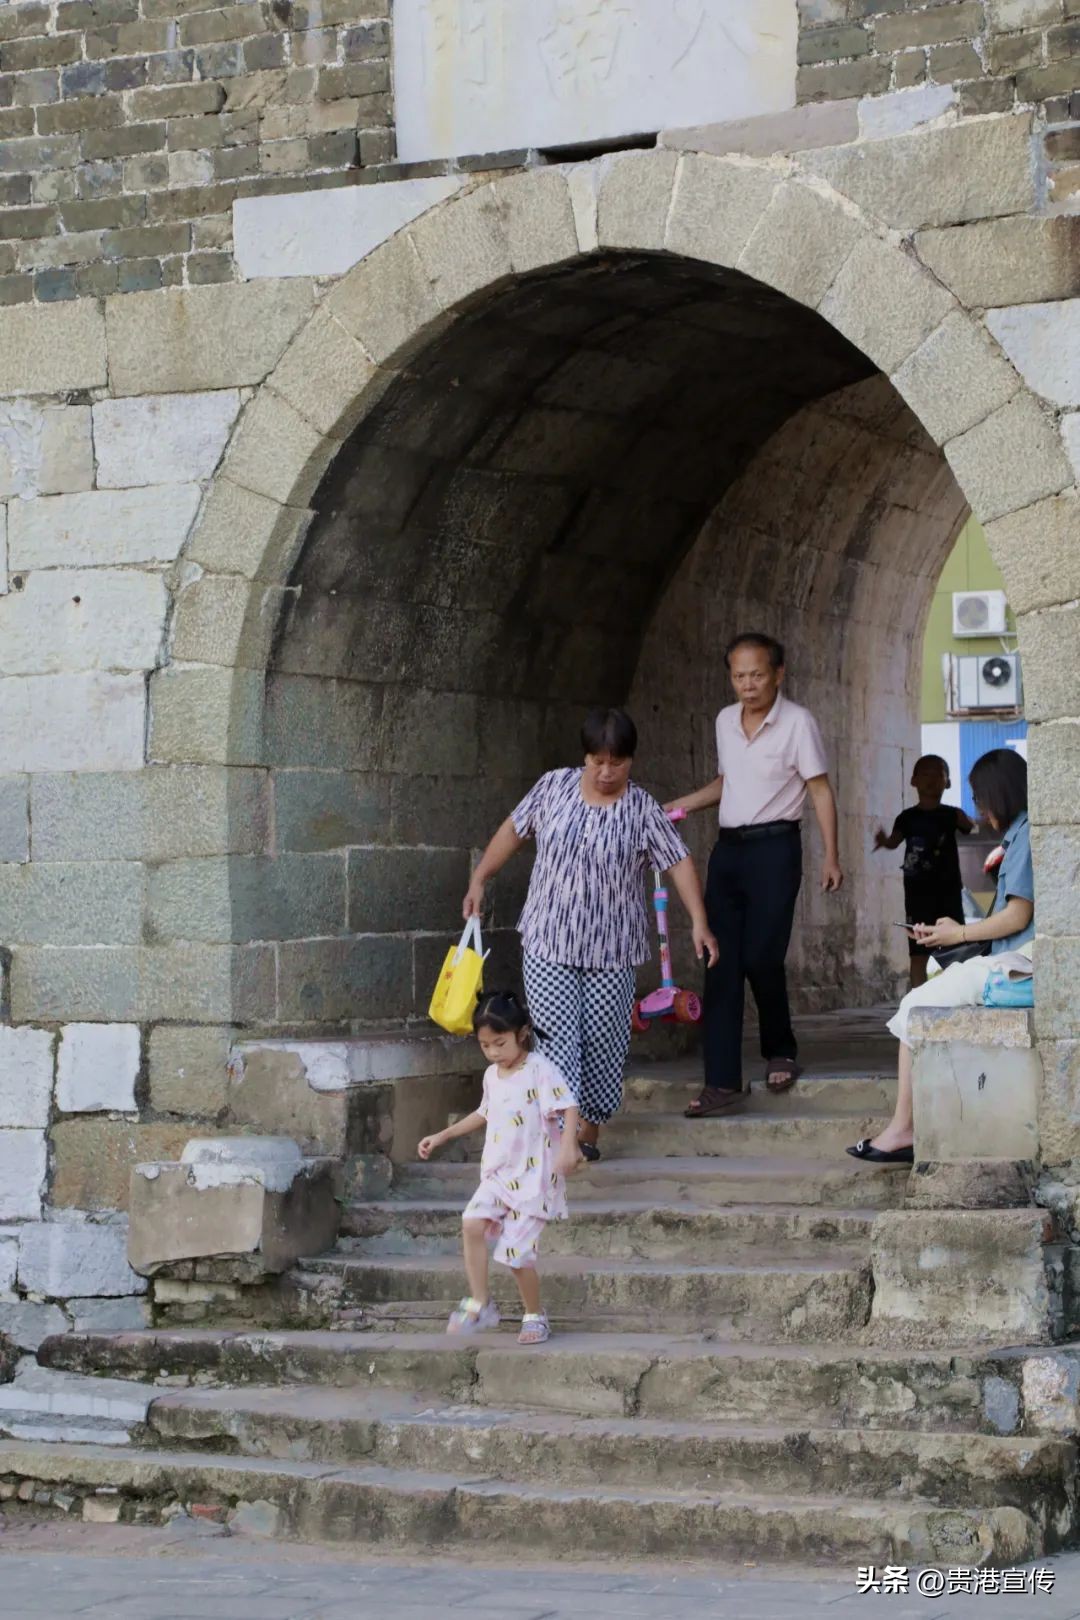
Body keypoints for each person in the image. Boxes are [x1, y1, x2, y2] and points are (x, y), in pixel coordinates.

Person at [463, 708, 719, 1162]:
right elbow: (514, 829)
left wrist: (698, 920)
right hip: (548, 938)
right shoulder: (553, 787)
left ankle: (590, 1128)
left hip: (612, 949)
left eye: (616, 763)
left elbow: (678, 861)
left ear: (630, 761)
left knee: (604, 1043)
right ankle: (564, 1137)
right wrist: (481, 876)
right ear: (584, 757)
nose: (605, 772)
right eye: (596, 761)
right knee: (556, 1037)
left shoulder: (641, 808)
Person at [667, 633, 843, 1118]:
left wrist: (831, 855)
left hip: (776, 849)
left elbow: (820, 791)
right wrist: (677, 806)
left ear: (779, 674)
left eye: (758, 675)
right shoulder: (725, 721)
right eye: (739, 676)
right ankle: (722, 1082)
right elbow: (729, 783)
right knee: (719, 961)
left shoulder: (798, 723)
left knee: (764, 956)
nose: (748, 685)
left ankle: (780, 1048)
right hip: (729, 852)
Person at [848, 748, 1034, 1166]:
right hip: (1007, 956)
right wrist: (952, 933)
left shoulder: (1025, 837)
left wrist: (961, 932)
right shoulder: (1018, 835)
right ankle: (905, 1126)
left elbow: (1019, 914)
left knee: (915, 1004)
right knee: (926, 987)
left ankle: (903, 1129)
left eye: (981, 799)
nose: (979, 810)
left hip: (1018, 966)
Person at [418, 990, 581, 1345]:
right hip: (498, 1173)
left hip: (533, 1178)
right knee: (471, 1222)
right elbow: (484, 1113)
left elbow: (568, 1106)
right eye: (485, 1045)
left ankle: (535, 1315)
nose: (493, 1053)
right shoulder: (492, 1076)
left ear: (521, 1033)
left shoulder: (540, 1070)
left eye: (500, 1043)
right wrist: (443, 1135)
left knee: (516, 1255)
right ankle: (480, 1300)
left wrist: (569, 1147)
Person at [874, 754, 976, 989]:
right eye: (925, 774)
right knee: (918, 953)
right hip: (917, 894)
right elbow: (894, 841)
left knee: (955, 950)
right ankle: (918, 998)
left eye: (937, 775)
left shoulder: (952, 815)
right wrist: (884, 841)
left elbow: (970, 827)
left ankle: (956, 996)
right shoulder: (907, 817)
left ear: (947, 782)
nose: (931, 780)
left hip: (948, 892)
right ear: (914, 781)